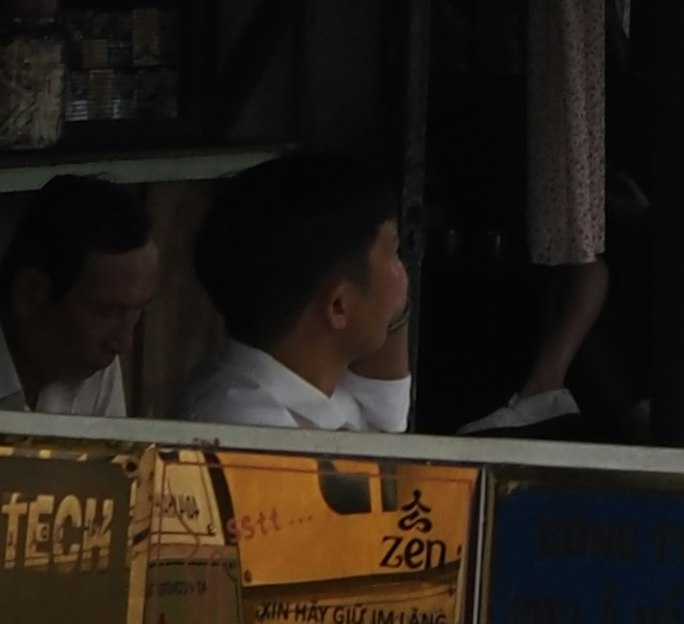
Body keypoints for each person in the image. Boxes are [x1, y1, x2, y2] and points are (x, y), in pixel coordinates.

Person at [187, 152, 415, 432]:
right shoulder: (245, 426)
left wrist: (390, 306)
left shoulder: (327, 394)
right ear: (338, 306)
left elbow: (388, 418)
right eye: (393, 255)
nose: (404, 276)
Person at [0, 175, 156, 418]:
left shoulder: (93, 360)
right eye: (105, 312)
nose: (123, 344)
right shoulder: (86, 353)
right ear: (30, 294)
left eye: (135, 313)